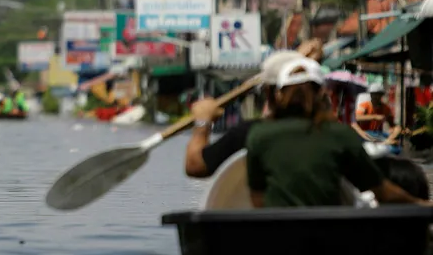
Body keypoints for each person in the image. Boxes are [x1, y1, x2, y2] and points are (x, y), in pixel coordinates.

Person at [245, 58, 430, 208]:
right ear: (321, 94)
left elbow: (258, 199)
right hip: (328, 241)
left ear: (279, 94)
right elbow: (380, 190)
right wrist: (420, 204)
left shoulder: (259, 135)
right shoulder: (338, 135)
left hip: (278, 239)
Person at [184, 40, 324, 179]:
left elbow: (195, 165)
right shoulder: (333, 132)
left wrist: (202, 123)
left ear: (269, 93)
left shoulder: (251, 134)